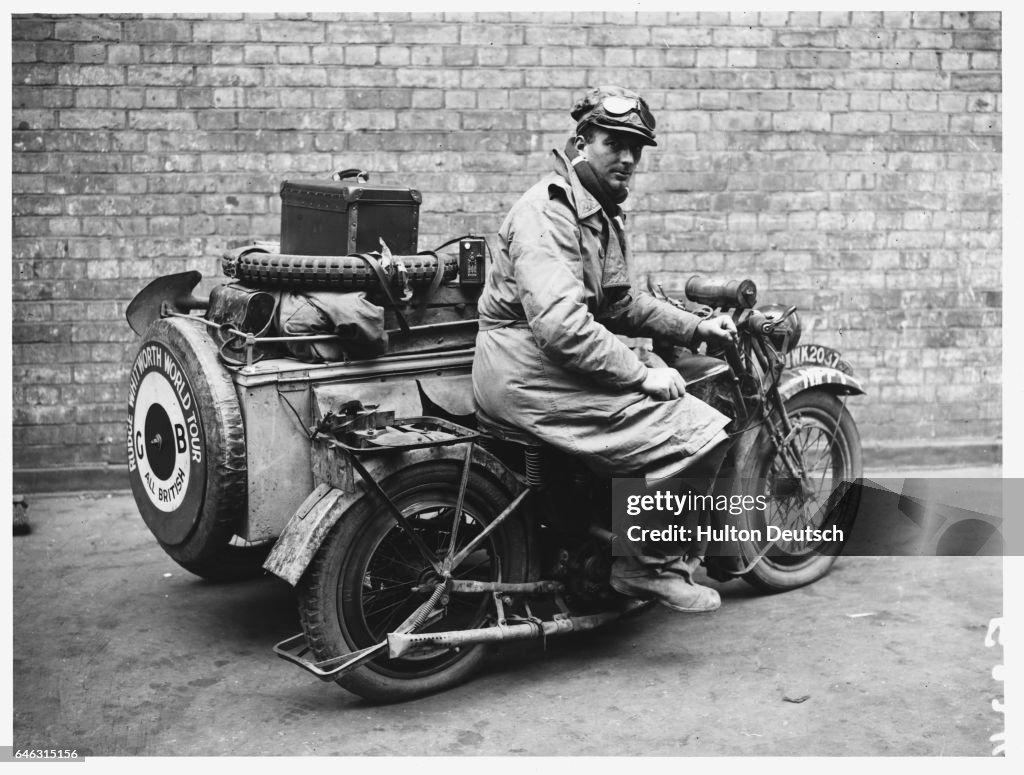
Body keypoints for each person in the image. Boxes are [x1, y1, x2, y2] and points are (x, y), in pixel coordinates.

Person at [472, 85, 737, 613]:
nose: (627, 157)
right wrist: (640, 376)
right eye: (614, 141)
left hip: (538, 366)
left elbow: (620, 305)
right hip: (527, 372)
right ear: (581, 140)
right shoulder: (549, 210)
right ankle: (646, 568)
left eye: (636, 148)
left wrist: (694, 329)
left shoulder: (596, 212)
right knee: (702, 432)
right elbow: (563, 326)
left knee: (667, 403)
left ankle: (602, 537)